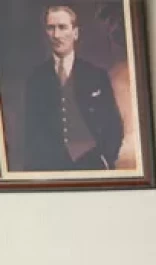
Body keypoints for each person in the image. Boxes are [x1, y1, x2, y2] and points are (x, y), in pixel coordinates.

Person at [23, 5, 124, 171]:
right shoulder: (36, 79)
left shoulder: (96, 75)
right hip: (50, 167)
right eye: (51, 28)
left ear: (75, 33)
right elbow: (31, 132)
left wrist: (106, 158)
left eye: (62, 27)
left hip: (92, 163)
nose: (56, 35)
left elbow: (114, 125)